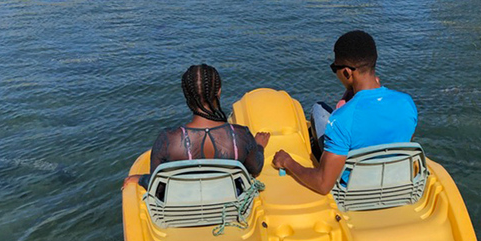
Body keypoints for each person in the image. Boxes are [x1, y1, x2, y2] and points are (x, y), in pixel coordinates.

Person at [272, 31, 418, 195]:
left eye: (335, 68)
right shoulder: (406, 103)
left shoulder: (341, 119)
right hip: (396, 182)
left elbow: (323, 184)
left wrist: (288, 162)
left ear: (347, 72)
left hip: (356, 189)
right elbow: (405, 142)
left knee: (319, 110)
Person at [149, 64, 270, 178]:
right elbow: (255, 169)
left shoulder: (168, 140)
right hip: (229, 198)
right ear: (219, 92)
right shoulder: (241, 135)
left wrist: (140, 179)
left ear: (187, 95)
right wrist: (259, 146)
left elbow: (155, 182)